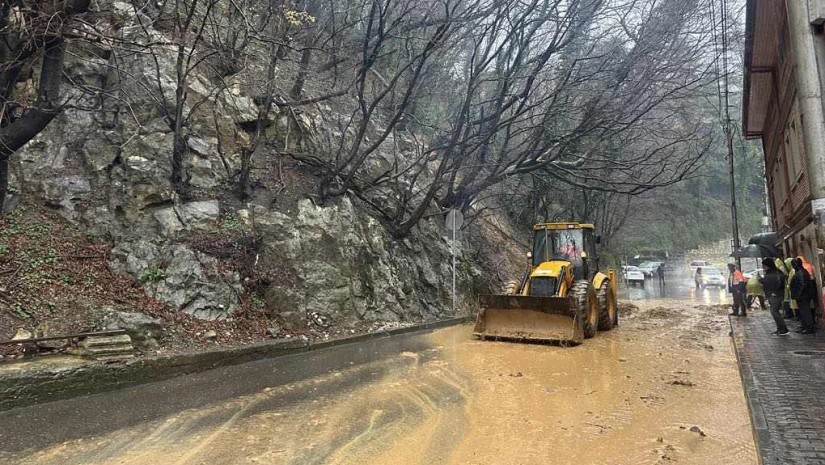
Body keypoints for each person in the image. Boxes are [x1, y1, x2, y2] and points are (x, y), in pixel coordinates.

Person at [760, 258, 788, 336]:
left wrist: (774, 292)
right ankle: (780, 328)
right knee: (774, 311)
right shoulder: (770, 272)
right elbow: (768, 283)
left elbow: (777, 283)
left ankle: (783, 329)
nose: (763, 267)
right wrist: (762, 281)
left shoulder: (776, 273)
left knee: (774, 311)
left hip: (775, 295)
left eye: (764, 265)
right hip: (773, 295)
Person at [790, 258, 816, 334]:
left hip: (803, 296)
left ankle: (809, 327)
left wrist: (798, 295)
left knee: (805, 312)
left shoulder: (801, 273)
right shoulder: (800, 272)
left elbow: (802, 285)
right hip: (802, 296)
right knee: (803, 312)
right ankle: (805, 326)